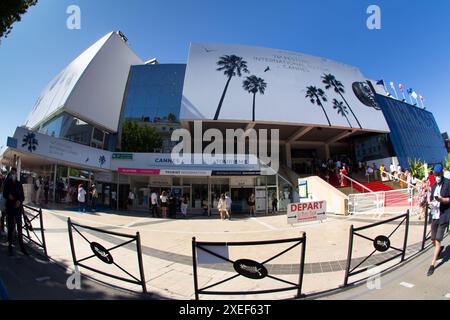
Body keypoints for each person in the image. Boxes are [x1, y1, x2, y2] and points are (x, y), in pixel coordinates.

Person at [427, 164, 450, 276]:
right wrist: (430, 203)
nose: (437, 176)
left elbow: (449, 199)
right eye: (435, 175)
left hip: (443, 215)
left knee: (437, 240)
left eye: (438, 174)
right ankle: (439, 248)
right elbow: (432, 198)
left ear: (442, 173)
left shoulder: (448, 183)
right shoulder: (434, 185)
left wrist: (442, 200)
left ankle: (432, 264)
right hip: (434, 215)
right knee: (432, 240)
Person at [3, 168, 27, 256]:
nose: (13, 175)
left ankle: (22, 247)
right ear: (10, 174)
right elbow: (5, 194)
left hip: (18, 209)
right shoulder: (7, 183)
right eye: (12, 173)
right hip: (10, 208)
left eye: (15, 173)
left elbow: (23, 196)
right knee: (10, 227)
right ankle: (10, 246)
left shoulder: (19, 183)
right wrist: (8, 196)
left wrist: (19, 201)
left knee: (20, 228)